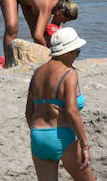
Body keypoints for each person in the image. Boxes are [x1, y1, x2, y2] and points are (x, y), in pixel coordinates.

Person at [26, 27, 94, 179]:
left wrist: (40, 134)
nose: (77, 55)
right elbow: (71, 110)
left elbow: (29, 112)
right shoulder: (69, 73)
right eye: (77, 51)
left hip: (38, 136)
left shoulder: (37, 73)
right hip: (61, 135)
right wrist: (84, 145)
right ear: (67, 52)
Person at [1, 0, 80, 64]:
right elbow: (38, 36)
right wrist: (51, 53)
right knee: (12, 28)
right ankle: (8, 62)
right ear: (60, 13)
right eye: (65, 20)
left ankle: (41, 60)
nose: (63, 23)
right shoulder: (47, 6)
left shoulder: (64, 4)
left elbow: (54, 30)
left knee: (38, 31)